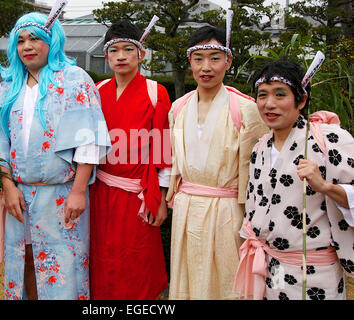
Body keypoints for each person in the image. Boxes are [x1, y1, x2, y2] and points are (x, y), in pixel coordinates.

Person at [0, 8, 110, 300]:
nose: (27, 46)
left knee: (64, 265)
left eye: (36, 38)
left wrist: (79, 190)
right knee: (23, 260)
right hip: (18, 194)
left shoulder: (74, 79)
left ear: (52, 40)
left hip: (62, 193)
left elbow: (88, 139)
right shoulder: (8, 88)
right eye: (20, 40)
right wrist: (7, 186)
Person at [233, 58, 354, 300]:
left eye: (280, 94)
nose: (269, 104)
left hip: (316, 271)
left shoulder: (328, 140)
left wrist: (325, 187)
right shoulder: (260, 148)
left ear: (301, 100)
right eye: (262, 95)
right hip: (272, 265)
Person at [165, 22, 269, 299]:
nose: (206, 67)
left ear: (228, 60)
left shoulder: (246, 108)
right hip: (187, 206)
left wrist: (253, 217)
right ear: (190, 61)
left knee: (226, 278)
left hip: (227, 210)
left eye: (214, 58)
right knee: (188, 277)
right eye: (198, 59)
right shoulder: (178, 108)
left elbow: (259, 172)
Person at [89, 19, 172, 300]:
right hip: (99, 192)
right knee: (101, 258)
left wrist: (160, 197)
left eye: (128, 49)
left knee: (136, 262)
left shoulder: (155, 92)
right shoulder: (96, 91)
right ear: (106, 56)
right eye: (114, 50)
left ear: (141, 54)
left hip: (138, 192)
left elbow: (162, 147)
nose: (121, 56)